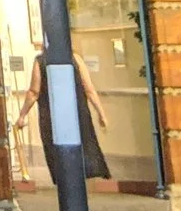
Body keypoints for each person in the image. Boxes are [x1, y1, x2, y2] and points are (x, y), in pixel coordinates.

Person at [15, 50, 111, 186]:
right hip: (77, 113)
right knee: (83, 145)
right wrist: (101, 114)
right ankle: (82, 180)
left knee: (58, 150)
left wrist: (22, 115)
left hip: (52, 116)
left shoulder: (41, 61)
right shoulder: (76, 59)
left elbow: (34, 92)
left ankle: (66, 182)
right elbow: (89, 89)